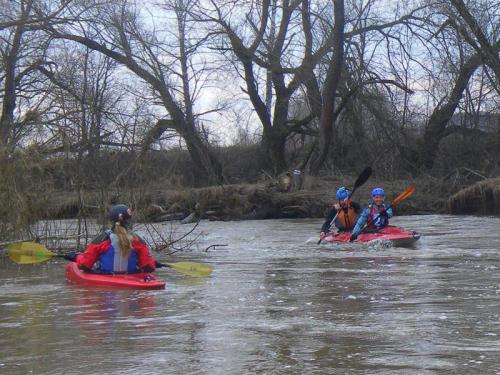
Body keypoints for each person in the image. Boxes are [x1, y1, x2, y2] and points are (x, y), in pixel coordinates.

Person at [75, 204, 156, 273]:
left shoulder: (103, 238)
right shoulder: (137, 240)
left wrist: (77, 257)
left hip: (105, 279)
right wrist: (141, 262)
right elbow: (149, 267)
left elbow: (84, 265)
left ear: (112, 221)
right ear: (129, 221)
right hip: (132, 280)